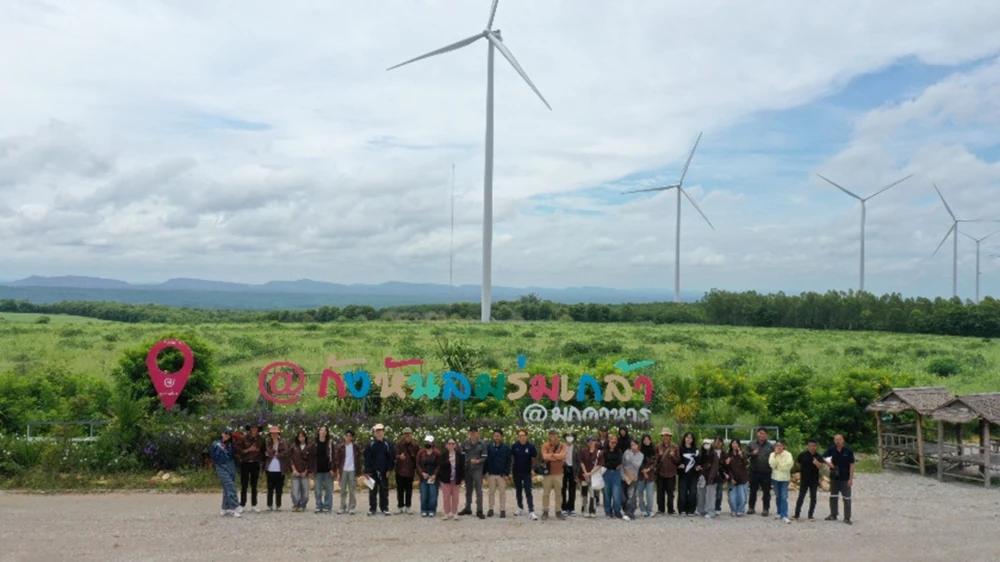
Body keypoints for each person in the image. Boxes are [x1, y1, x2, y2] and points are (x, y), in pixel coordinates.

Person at [364, 423, 395, 516]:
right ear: (374, 432)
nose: (379, 432)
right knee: (372, 490)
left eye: (380, 430)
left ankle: (384, 508)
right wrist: (367, 471)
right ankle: (372, 508)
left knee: (384, 490)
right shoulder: (370, 444)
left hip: (384, 471)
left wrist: (389, 469)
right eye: (377, 431)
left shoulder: (388, 444)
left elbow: (391, 458)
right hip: (373, 471)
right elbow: (367, 458)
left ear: (383, 431)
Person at [824, 434, 856, 525]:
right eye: (836, 440)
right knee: (833, 496)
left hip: (845, 477)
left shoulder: (848, 451)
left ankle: (847, 517)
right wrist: (829, 464)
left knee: (847, 498)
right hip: (834, 477)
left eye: (839, 439)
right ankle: (833, 514)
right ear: (834, 441)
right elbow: (824, 457)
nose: (838, 441)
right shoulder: (831, 449)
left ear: (843, 440)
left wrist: (850, 479)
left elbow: (852, 465)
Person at [210, 428, 241, 517]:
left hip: (230, 465)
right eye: (225, 433)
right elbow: (213, 456)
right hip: (221, 466)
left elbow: (233, 455)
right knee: (230, 485)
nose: (227, 435)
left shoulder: (231, 445)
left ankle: (225, 507)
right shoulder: (216, 444)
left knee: (227, 488)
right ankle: (234, 507)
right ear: (222, 434)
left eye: (229, 434)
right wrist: (221, 450)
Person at [459, 426, 488, 519]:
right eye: (471, 432)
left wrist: (478, 461)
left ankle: (479, 510)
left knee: (478, 491)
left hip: (477, 470)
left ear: (477, 433)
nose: (473, 434)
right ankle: (468, 508)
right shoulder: (465, 443)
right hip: (467, 469)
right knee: (468, 490)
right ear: (469, 433)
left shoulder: (482, 444)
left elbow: (485, 457)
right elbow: (462, 455)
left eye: (475, 432)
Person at [510, 429, 539, 520]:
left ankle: (531, 511)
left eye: (523, 435)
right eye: (520, 435)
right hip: (516, 472)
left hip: (527, 472)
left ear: (526, 436)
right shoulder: (515, 446)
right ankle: (520, 508)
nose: (521, 437)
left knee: (528, 491)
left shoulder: (530, 446)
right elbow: (511, 457)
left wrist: (533, 469)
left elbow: (534, 458)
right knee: (518, 491)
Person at [746, 427, 775, 516]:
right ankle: (751, 507)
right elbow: (745, 455)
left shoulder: (770, 446)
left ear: (766, 435)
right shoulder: (752, 444)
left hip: (766, 472)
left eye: (763, 433)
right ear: (757, 434)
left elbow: (774, 457)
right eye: (760, 433)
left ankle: (765, 509)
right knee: (753, 490)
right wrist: (752, 454)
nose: (761, 435)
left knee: (766, 491)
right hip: (754, 471)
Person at [540, 429, 567, 520]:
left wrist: (552, 455)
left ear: (557, 435)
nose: (553, 436)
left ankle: (558, 511)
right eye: (551, 434)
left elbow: (563, 455)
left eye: (554, 434)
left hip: (558, 473)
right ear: (549, 435)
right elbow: (545, 456)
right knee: (546, 493)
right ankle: (545, 511)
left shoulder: (563, 445)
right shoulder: (545, 445)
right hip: (547, 473)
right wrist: (557, 456)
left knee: (558, 494)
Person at [237, 424, 265, 513]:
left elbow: (263, 452)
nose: (254, 429)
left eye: (255, 428)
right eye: (252, 428)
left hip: (255, 464)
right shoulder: (243, 438)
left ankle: (254, 504)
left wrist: (260, 458)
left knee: (254, 485)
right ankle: (242, 504)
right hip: (245, 463)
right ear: (250, 429)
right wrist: (248, 450)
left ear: (258, 429)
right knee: (244, 485)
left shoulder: (261, 439)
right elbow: (239, 451)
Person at [437, 438, 465, 521]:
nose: (451, 445)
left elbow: (462, 467)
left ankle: (454, 513)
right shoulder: (443, 455)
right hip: (446, 479)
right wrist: (448, 461)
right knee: (446, 497)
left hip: (456, 479)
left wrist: (462, 478)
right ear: (446, 445)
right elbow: (441, 466)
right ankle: (446, 513)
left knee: (455, 497)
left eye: (453, 443)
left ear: (455, 445)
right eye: (449, 443)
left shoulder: (459, 455)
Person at [485, 429, 512, 518]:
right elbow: (486, 460)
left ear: (501, 437)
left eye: (498, 436)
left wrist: (507, 473)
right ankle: (491, 509)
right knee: (491, 492)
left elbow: (508, 461)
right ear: (493, 437)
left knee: (502, 493)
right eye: (495, 436)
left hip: (502, 475)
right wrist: (485, 472)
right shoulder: (489, 447)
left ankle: (502, 509)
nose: (496, 437)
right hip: (491, 474)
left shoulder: (506, 448)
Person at [795, 439, 824, 520]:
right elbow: (798, 464)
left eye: (813, 446)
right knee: (801, 496)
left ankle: (810, 514)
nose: (812, 447)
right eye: (810, 445)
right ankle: (797, 514)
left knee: (813, 497)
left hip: (814, 480)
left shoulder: (819, 456)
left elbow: (820, 467)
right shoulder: (802, 454)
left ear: (816, 447)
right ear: (807, 446)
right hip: (804, 479)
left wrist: (817, 463)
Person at [334, 429, 361, 515]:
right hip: (343, 470)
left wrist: (358, 473)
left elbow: (359, 460)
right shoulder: (340, 447)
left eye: (350, 436)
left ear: (352, 437)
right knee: (342, 490)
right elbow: (337, 460)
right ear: (344, 436)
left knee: (352, 490)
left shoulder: (356, 447)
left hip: (352, 470)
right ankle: (342, 507)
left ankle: (351, 507)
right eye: (347, 435)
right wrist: (338, 472)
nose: (348, 437)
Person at [655, 427, 679, 516]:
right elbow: (655, 460)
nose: (666, 437)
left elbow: (678, 460)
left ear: (670, 437)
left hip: (671, 473)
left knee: (670, 493)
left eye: (667, 435)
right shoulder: (658, 446)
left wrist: (673, 456)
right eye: (664, 435)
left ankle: (671, 509)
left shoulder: (675, 447)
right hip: (661, 472)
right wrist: (659, 455)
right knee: (660, 492)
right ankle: (660, 509)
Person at [394, 427, 419, 515]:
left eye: (409, 434)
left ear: (411, 435)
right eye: (406, 434)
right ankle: (400, 506)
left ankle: (408, 506)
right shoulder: (399, 444)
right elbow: (394, 455)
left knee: (409, 490)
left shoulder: (415, 445)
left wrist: (416, 470)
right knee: (400, 490)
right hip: (400, 470)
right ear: (403, 435)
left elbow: (417, 458)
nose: (407, 436)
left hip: (410, 471)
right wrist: (399, 457)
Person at [310, 426, 335, 514]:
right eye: (321, 430)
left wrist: (332, 468)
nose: (323, 432)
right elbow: (311, 458)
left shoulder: (330, 443)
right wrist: (312, 470)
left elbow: (333, 456)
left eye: (325, 430)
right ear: (319, 432)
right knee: (318, 490)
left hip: (328, 470)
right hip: (318, 470)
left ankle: (327, 506)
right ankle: (318, 506)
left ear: (327, 433)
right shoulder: (314, 443)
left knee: (329, 489)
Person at [264, 425, 288, 512]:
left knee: (279, 488)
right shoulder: (268, 443)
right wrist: (274, 446)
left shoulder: (283, 441)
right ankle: (269, 505)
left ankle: (278, 505)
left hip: (280, 468)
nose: (274, 435)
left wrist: (277, 455)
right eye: (272, 433)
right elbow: (268, 453)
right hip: (270, 468)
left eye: (275, 433)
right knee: (270, 488)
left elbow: (285, 453)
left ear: (278, 433)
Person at [769, 439, 794, 524]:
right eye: (777, 445)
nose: (779, 447)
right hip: (775, 478)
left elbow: (788, 465)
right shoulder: (772, 454)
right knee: (778, 496)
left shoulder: (788, 454)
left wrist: (778, 467)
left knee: (784, 496)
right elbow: (772, 464)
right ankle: (779, 512)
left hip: (784, 478)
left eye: (781, 445)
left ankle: (785, 515)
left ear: (784, 446)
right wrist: (775, 456)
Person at [579, 435, 604, 518]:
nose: (591, 443)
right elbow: (581, 462)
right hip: (584, 475)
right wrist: (586, 473)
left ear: (595, 442)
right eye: (589, 441)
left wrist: (590, 474)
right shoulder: (583, 451)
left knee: (593, 493)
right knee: (584, 493)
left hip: (593, 476)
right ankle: (584, 509)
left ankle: (592, 510)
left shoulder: (598, 452)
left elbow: (599, 465)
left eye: (593, 441)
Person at [416, 435, 440, 517]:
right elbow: (418, 464)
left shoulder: (437, 453)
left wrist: (435, 474)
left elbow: (439, 465)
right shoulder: (421, 452)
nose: (427, 443)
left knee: (433, 494)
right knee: (424, 494)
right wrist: (422, 473)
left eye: (429, 442)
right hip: (424, 476)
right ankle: (424, 509)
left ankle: (432, 510)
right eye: (426, 442)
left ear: (433, 443)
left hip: (433, 476)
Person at [724, 438, 749, 517]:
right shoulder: (728, 455)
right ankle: (733, 510)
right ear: (731, 444)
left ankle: (740, 510)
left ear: (739, 445)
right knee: (732, 496)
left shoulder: (742, 453)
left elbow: (746, 464)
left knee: (742, 496)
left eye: (736, 443)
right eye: (733, 443)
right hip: (732, 478)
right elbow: (726, 469)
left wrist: (742, 456)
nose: (734, 445)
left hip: (742, 478)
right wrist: (730, 478)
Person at [695, 438, 719, 518]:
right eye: (705, 443)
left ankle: (711, 511)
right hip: (702, 477)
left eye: (708, 443)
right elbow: (698, 464)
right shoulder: (702, 454)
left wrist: (711, 477)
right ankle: (701, 510)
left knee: (710, 495)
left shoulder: (714, 454)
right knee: (701, 493)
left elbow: (715, 467)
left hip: (711, 478)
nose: (706, 445)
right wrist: (698, 469)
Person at [621, 438, 644, 521]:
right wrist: (623, 475)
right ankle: (626, 511)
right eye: (631, 445)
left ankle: (629, 513)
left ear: (638, 446)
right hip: (625, 476)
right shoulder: (626, 452)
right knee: (623, 496)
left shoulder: (641, 455)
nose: (632, 447)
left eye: (634, 445)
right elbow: (623, 463)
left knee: (631, 496)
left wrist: (631, 457)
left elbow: (637, 465)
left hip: (633, 477)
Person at [677, 432, 699, 516]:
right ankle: (682, 510)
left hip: (693, 474)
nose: (689, 439)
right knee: (682, 492)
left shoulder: (695, 450)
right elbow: (677, 460)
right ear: (684, 438)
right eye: (687, 437)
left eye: (690, 438)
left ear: (692, 440)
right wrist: (680, 464)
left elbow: (698, 461)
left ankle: (691, 510)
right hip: (683, 474)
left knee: (693, 492)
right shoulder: (680, 449)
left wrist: (697, 466)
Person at [289, 430, 311, 513]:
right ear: (297, 438)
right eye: (299, 437)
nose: (301, 438)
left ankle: (302, 505)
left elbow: (310, 461)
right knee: (294, 491)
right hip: (295, 472)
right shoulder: (293, 446)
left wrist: (306, 471)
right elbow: (290, 459)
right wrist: (294, 470)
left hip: (305, 472)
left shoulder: (309, 447)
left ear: (305, 437)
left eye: (303, 436)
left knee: (305, 493)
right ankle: (295, 505)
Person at [560, 432, 581, 516]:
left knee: (572, 489)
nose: (569, 437)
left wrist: (577, 473)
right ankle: (563, 508)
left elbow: (578, 461)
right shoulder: (561, 446)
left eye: (571, 436)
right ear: (565, 437)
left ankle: (571, 508)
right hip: (563, 468)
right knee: (563, 488)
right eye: (568, 436)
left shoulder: (577, 447)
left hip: (573, 469)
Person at [602, 434, 623, 519]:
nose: (613, 444)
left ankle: (617, 512)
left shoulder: (619, 451)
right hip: (606, 473)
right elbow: (604, 463)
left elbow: (619, 462)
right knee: (607, 493)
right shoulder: (604, 452)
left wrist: (611, 464)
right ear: (608, 442)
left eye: (615, 442)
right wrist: (612, 464)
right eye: (611, 442)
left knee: (616, 494)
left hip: (616, 473)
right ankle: (608, 512)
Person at [637, 434, 656, 518]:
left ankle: (650, 510)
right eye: (645, 439)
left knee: (650, 494)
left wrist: (648, 470)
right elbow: (637, 462)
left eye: (648, 439)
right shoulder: (639, 451)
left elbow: (655, 462)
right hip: (641, 474)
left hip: (650, 474)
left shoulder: (653, 451)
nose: (646, 441)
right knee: (640, 493)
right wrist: (643, 471)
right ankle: (643, 509)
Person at [712, 437, 725, 513]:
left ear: (722, 443)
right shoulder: (711, 451)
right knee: (711, 491)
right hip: (712, 474)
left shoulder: (724, 452)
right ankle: (710, 506)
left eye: (720, 441)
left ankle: (717, 507)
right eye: (716, 441)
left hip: (720, 474)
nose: (718, 443)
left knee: (719, 492)